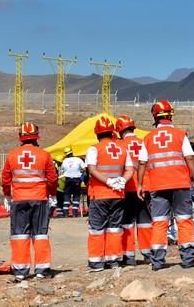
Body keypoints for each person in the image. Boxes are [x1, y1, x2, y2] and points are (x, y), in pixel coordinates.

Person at [137, 100, 194, 270]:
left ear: (155, 117)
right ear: (171, 115)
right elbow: (189, 157)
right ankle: (188, 259)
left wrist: (140, 184)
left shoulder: (148, 138)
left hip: (158, 185)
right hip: (180, 183)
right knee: (184, 220)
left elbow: (142, 163)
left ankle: (157, 261)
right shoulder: (181, 135)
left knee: (159, 222)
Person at [2, 122, 58, 280]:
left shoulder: (12, 155)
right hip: (39, 198)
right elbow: (52, 178)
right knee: (40, 234)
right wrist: (52, 195)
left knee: (20, 234)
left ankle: (20, 271)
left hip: (19, 199)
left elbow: (6, 179)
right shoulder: (44, 154)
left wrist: (7, 195)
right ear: (36, 138)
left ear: (20, 137)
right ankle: (42, 270)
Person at [85, 115, 133, 272]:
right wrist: (122, 181)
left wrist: (107, 181)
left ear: (97, 134)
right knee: (114, 228)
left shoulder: (94, 149)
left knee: (97, 229)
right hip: (118, 195)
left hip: (99, 195)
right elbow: (129, 170)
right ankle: (113, 260)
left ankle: (96, 262)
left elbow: (92, 169)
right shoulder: (122, 148)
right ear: (113, 132)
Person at [115, 114, 152, 265]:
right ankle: (149, 253)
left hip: (128, 188)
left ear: (119, 130)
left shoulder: (119, 145)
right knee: (146, 222)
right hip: (146, 187)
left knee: (127, 223)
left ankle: (128, 256)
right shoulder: (144, 142)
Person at [60, 146, 86, 217]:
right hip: (76, 179)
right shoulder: (78, 159)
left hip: (68, 179)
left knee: (67, 195)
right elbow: (84, 169)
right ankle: (74, 213)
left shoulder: (65, 161)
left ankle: (65, 213)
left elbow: (62, 169)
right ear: (72, 152)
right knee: (76, 195)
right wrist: (80, 172)